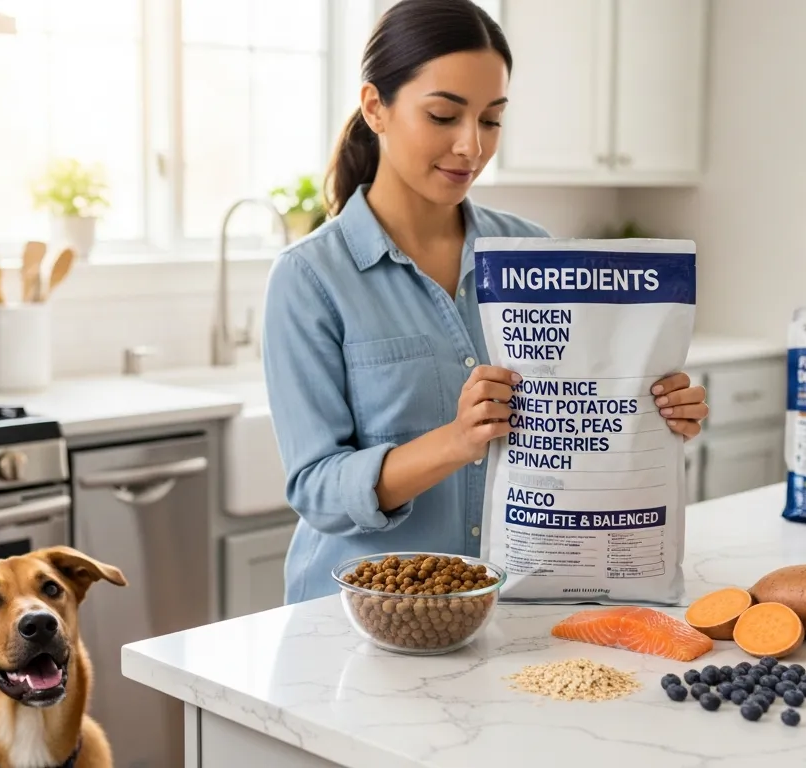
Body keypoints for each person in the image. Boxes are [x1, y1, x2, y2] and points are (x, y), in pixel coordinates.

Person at [261, 0, 709, 605]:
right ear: (376, 108)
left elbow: (576, 423)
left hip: (506, 604)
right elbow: (317, 488)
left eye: (491, 120)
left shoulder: (532, 253)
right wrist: (457, 440)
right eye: (444, 115)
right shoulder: (310, 277)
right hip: (355, 618)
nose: (471, 146)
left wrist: (654, 408)